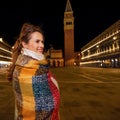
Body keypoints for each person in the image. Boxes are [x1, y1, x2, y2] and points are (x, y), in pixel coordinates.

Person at [7, 22, 60, 120]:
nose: (42, 45)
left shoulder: (40, 65)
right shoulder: (23, 70)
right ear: (24, 44)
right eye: (37, 41)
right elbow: (41, 106)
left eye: (42, 42)